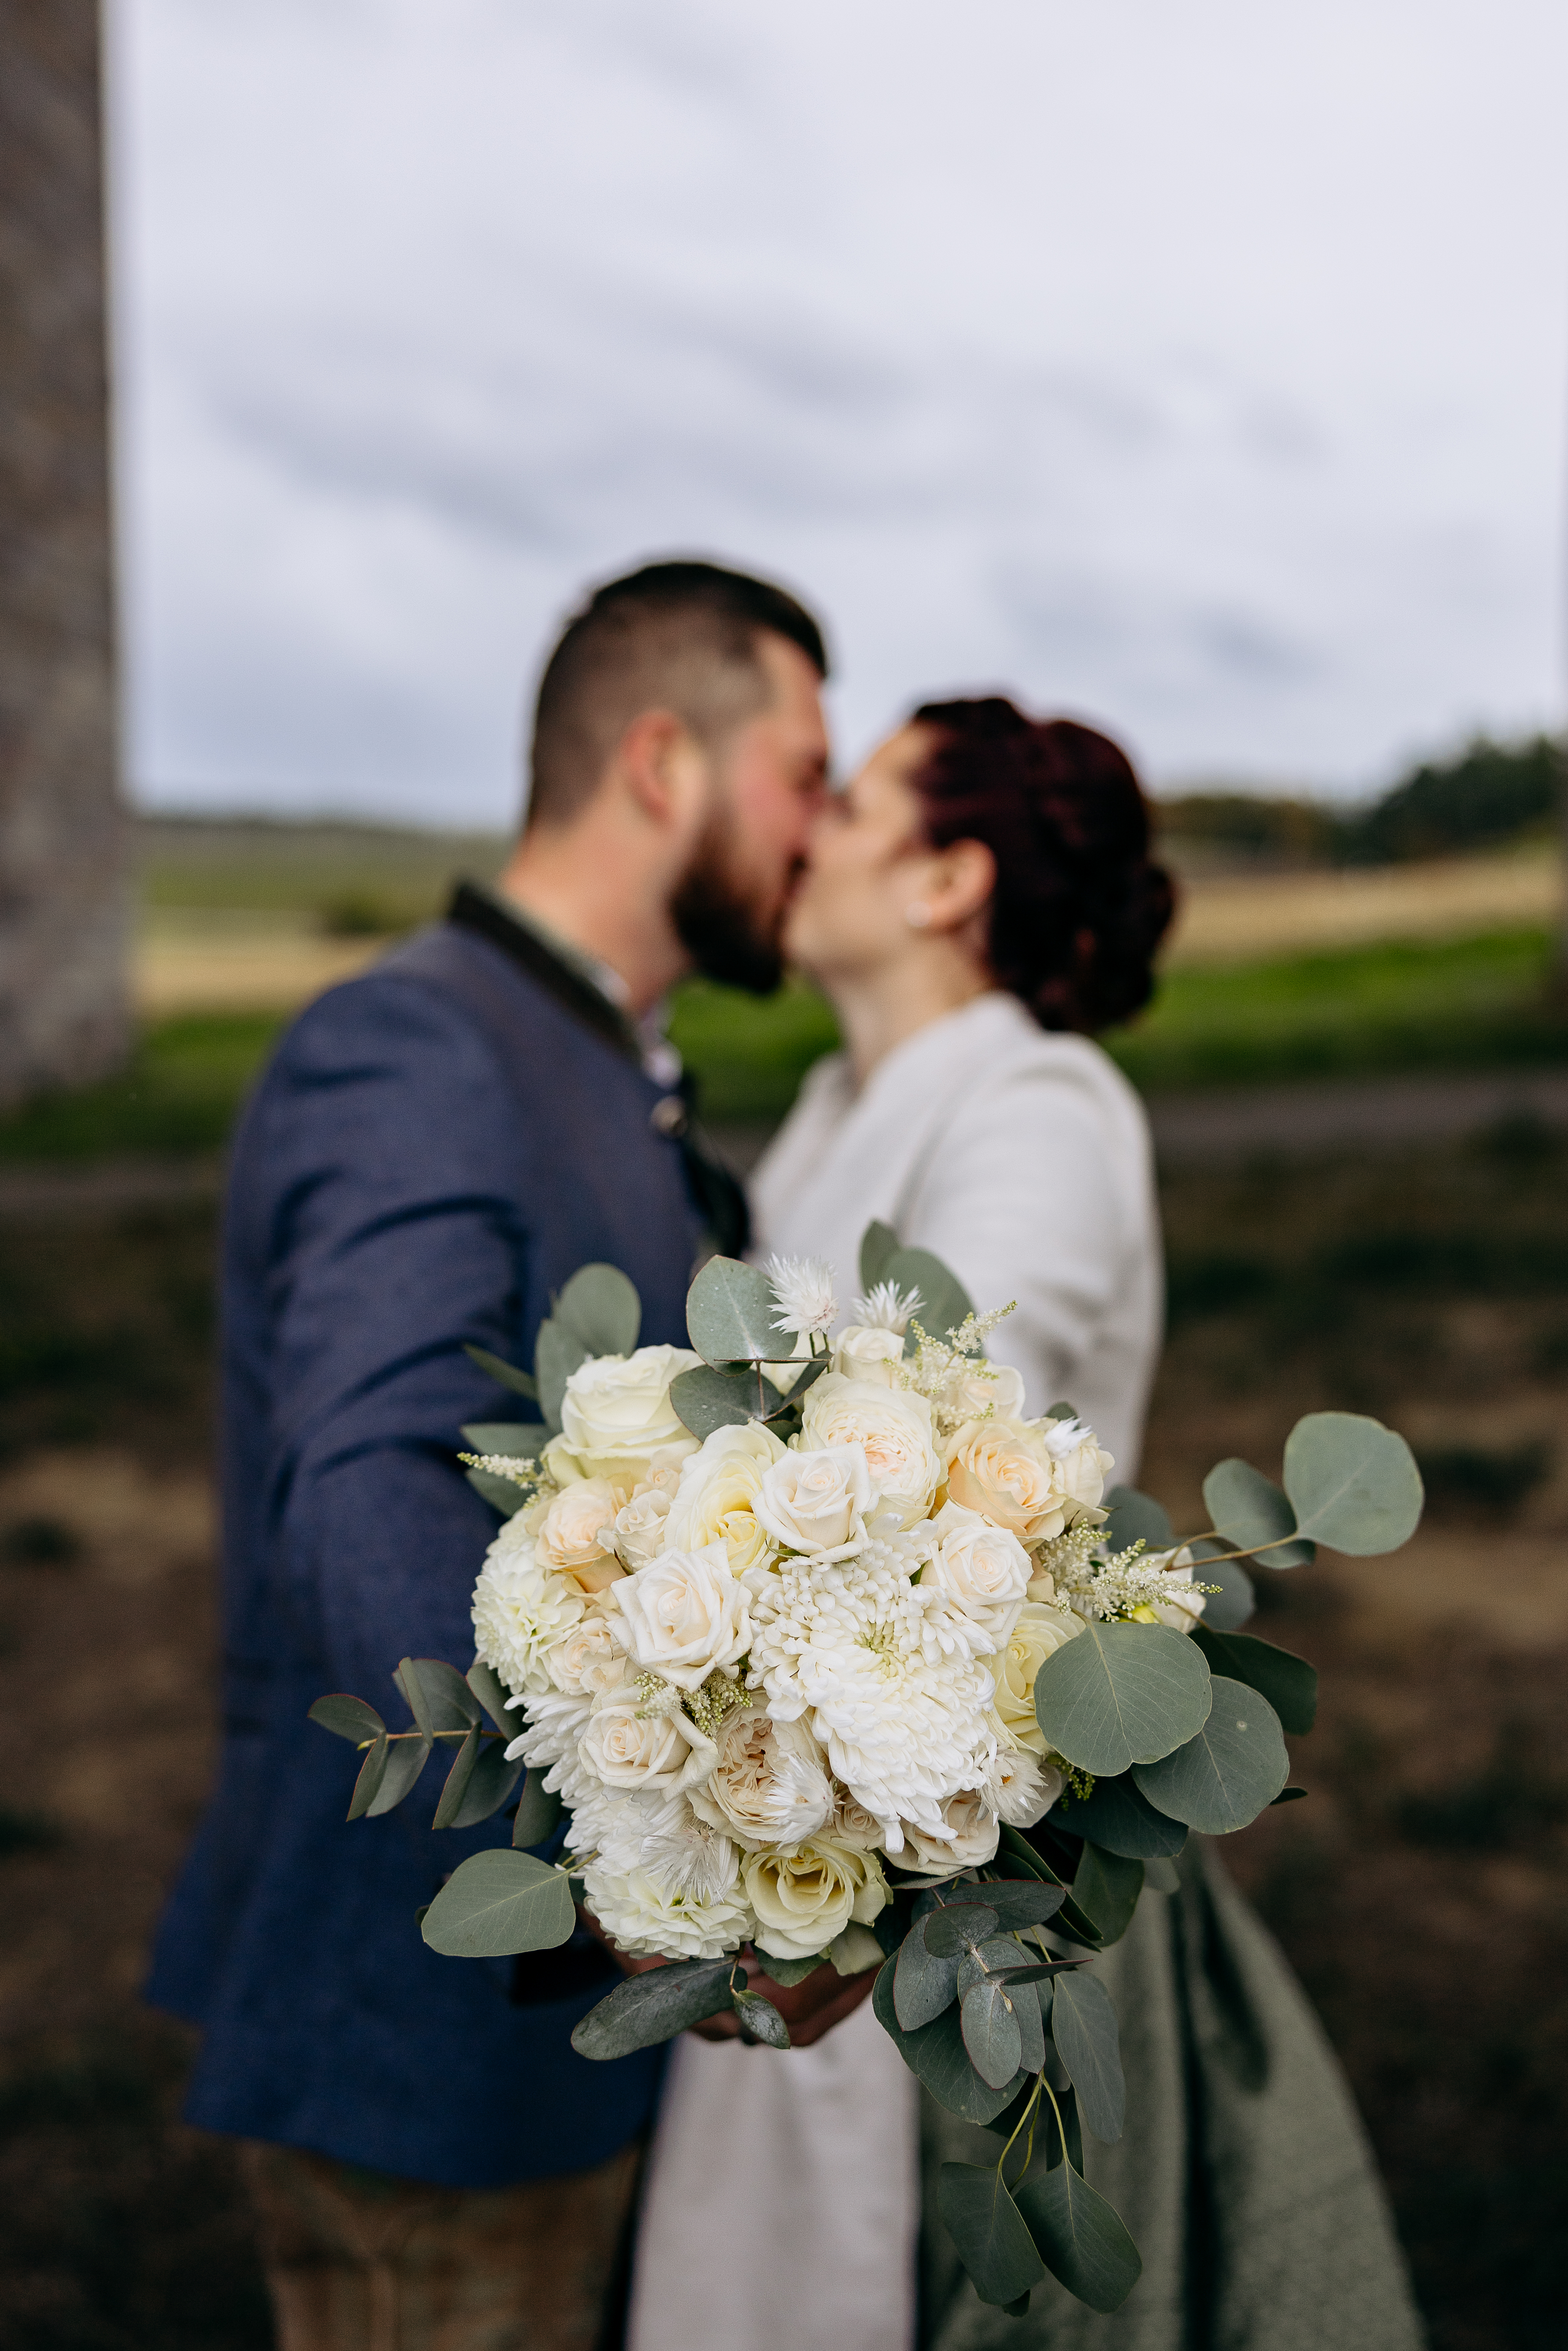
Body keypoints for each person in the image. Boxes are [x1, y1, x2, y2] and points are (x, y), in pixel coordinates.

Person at [628, 698, 1424, 2351]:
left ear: (945, 881)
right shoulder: (851, 1105)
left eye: (852, 801)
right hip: (811, 1821)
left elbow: (949, 1419)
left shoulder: (1042, 1102)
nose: (808, 829)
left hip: (966, 1868)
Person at [145, 558, 864, 2351]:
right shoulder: (413, 1046)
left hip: (549, 2054)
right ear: (657, 762)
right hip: (423, 2046)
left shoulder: (604, 1062)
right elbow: (369, 1496)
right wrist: (663, 1860)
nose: (820, 826)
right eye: (799, 769)